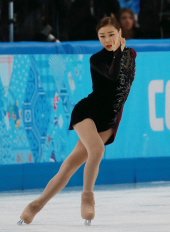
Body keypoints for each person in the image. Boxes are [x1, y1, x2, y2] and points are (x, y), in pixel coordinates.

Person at [17, 17, 137, 226]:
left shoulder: (131, 54)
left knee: (70, 165)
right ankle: (87, 198)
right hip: (87, 113)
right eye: (102, 36)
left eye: (111, 34)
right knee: (97, 151)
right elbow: (113, 75)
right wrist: (117, 52)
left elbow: (125, 83)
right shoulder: (96, 59)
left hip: (109, 119)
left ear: (119, 32)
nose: (107, 40)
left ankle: (36, 205)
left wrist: (121, 53)